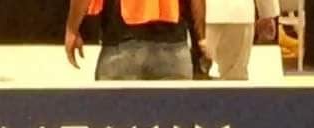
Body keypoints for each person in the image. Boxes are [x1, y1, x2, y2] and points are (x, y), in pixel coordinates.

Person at [65, 0, 203, 80]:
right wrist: (201, 40)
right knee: (174, 119)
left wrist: (72, 29)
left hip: (120, 50)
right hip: (174, 52)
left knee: (114, 119)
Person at [205, 0, 279, 81]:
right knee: (235, 76)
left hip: (212, 13)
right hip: (238, 13)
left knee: (222, 72)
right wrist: (267, 13)